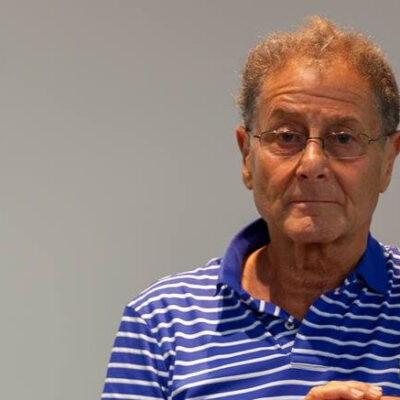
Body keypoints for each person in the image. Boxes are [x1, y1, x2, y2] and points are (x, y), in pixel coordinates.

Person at [101, 17, 400, 400]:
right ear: (247, 156)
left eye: (343, 138)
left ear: (388, 161)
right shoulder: (161, 322)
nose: (312, 164)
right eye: (287, 137)